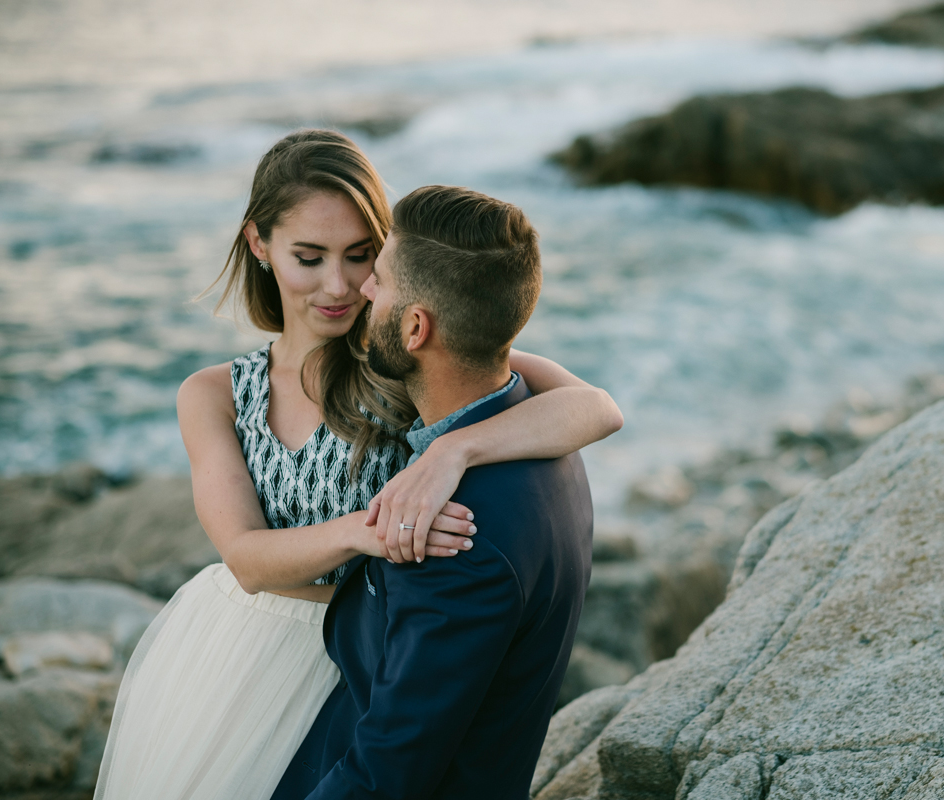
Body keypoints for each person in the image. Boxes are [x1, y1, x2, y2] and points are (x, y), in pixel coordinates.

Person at [94, 132, 621, 800]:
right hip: (250, 655)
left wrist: (458, 450)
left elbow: (596, 408)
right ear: (259, 245)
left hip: (383, 656)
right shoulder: (217, 395)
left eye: (360, 255)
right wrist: (370, 532)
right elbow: (247, 560)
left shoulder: (406, 356)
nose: (339, 286)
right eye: (308, 258)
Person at [272, 185, 593, 800]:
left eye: (381, 281)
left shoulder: (449, 536)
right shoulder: (545, 433)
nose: (363, 289)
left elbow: (382, 779)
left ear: (415, 327)